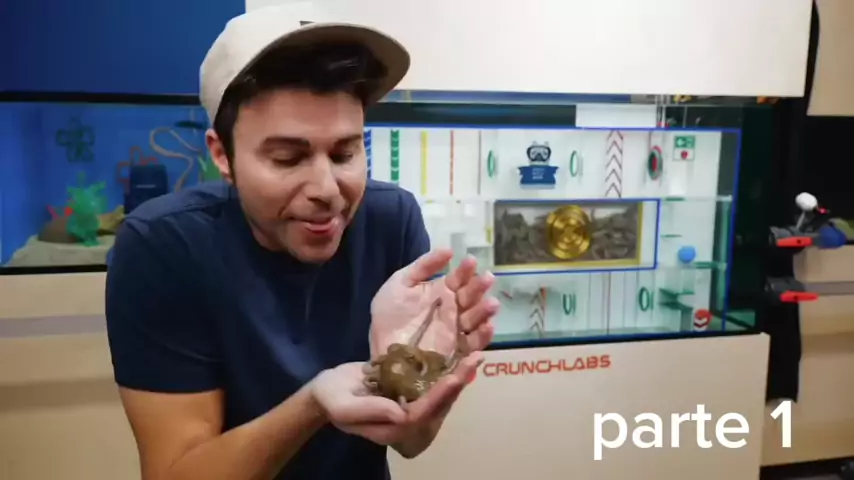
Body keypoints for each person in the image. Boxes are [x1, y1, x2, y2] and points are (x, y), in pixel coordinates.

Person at [104, 6, 499, 480]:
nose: (327, 191)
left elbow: (409, 442)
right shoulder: (165, 247)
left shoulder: (390, 219)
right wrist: (314, 403)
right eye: (288, 158)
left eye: (345, 153)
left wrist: (418, 379)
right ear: (222, 155)